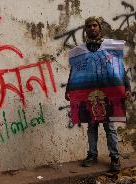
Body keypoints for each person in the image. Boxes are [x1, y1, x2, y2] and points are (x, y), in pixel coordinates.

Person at [65, 17, 131, 171]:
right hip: (89, 95)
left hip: (108, 93)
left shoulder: (111, 47)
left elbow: (119, 68)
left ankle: (115, 157)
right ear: (86, 30)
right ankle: (92, 155)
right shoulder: (79, 52)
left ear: (99, 28)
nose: (92, 28)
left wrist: (126, 88)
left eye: (95, 25)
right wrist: (69, 89)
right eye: (89, 26)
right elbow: (74, 72)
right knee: (91, 125)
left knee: (110, 127)